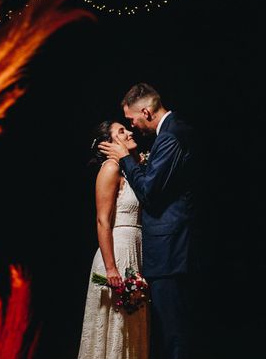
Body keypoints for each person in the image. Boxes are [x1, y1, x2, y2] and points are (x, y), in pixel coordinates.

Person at [99, 83, 196, 359]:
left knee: (173, 335)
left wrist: (127, 159)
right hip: (154, 251)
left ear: (146, 111)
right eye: (124, 126)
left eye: (132, 120)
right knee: (167, 333)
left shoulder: (170, 136)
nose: (132, 127)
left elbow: (150, 193)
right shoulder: (171, 133)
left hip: (170, 252)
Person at [77, 121, 149, 359]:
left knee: (131, 329)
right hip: (116, 253)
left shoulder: (133, 168)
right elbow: (102, 221)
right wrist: (110, 268)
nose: (129, 132)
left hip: (135, 250)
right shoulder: (110, 168)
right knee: (115, 327)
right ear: (108, 144)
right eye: (121, 131)